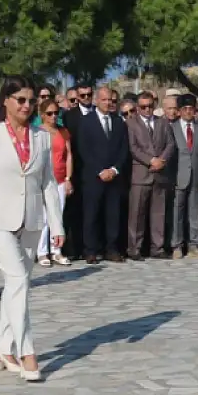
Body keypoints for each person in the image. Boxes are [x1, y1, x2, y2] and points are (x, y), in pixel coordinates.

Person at [0, 78, 65, 383]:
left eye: (30, 100)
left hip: (32, 219)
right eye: (19, 99)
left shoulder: (42, 137)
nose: (25, 106)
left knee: (17, 285)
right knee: (18, 278)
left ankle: (2, 349)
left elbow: (47, 182)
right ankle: (26, 351)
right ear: (5, 101)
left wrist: (56, 223)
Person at [74, 86, 130, 263]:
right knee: (92, 215)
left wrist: (114, 169)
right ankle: (90, 250)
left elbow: (124, 149)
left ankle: (111, 249)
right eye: (104, 100)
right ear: (97, 100)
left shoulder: (119, 122)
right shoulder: (86, 121)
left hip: (114, 177)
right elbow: (83, 149)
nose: (108, 103)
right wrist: (99, 170)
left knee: (112, 214)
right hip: (93, 177)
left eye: (111, 100)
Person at [125, 91, 175, 260]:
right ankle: (134, 248)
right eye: (143, 107)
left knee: (158, 213)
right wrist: (151, 160)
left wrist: (162, 160)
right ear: (138, 108)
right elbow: (133, 148)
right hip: (140, 174)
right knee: (137, 214)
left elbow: (170, 144)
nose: (147, 109)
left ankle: (157, 247)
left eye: (150, 106)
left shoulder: (162, 122)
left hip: (160, 174)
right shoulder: (131, 124)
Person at [170, 95, 198, 257]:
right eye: (184, 109)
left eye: (191, 109)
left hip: (197, 176)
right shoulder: (172, 128)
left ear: (195, 110)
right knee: (176, 213)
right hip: (178, 176)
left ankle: (194, 244)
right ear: (179, 111)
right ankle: (176, 245)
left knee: (196, 212)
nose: (188, 112)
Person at [38, 97, 72, 264]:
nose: (53, 117)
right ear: (42, 115)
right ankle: (42, 251)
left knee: (58, 215)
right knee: (44, 217)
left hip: (59, 178)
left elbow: (68, 155)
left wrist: (68, 178)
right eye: (49, 113)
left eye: (56, 113)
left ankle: (56, 250)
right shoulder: (37, 131)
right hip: (43, 180)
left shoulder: (63, 131)